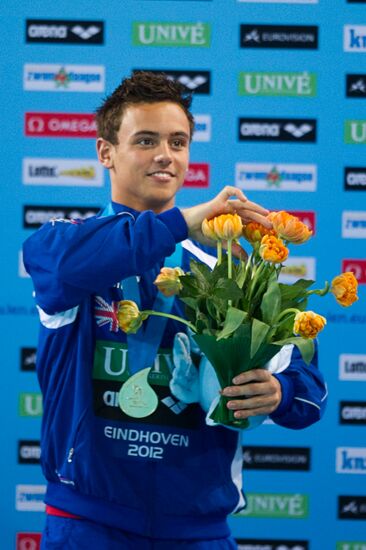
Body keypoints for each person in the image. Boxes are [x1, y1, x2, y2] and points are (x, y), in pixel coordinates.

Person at [23, 72, 327, 550]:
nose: (165, 154)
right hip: (87, 525)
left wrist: (279, 391)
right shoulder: (65, 248)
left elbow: (310, 393)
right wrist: (185, 223)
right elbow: (68, 266)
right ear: (105, 152)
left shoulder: (231, 266)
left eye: (177, 141)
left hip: (197, 531)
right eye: (145, 140)